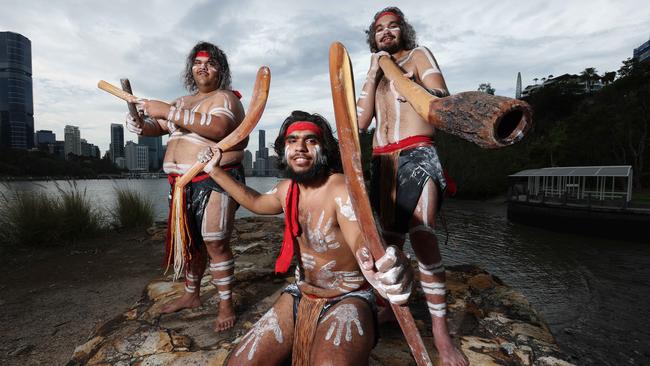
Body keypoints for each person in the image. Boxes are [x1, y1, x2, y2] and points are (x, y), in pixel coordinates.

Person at [198, 111, 413, 365]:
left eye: (311, 140)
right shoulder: (286, 189)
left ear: (325, 149)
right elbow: (256, 202)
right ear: (284, 150)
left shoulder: (341, 186)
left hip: (349, 297)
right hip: (301, 294)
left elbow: (359, 236)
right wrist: (215, 171)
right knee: (239, 363)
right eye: (292, 141)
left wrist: (376, 260)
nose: (300, 147)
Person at [356, 7, 469, 366]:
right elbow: (360, 122)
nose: (385, 33)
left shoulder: (419, 56)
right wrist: (375, 74)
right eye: (379, 30)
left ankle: (440, 331)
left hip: (417, 154)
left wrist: (398, 73)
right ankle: (391, 307)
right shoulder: (373, 71)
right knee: (388, 243)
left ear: (403, 31)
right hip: (382, 162)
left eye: (392, 27)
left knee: (422, 234)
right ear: (373, 37)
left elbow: (439, 97)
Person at [125, 41, 247, 332]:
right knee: (191, 244)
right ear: (191, 69)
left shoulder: (226, 99)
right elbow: (158, 128)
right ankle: (191, 294)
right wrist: (140, 123)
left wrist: (166, 111)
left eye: (210, 62)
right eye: (198, 62)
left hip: (213, 178)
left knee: (215, 242)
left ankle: (225, 305)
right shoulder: (181, 102)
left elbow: (218, 129)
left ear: (221, 70)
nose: (202, 67)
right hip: (180, 184)